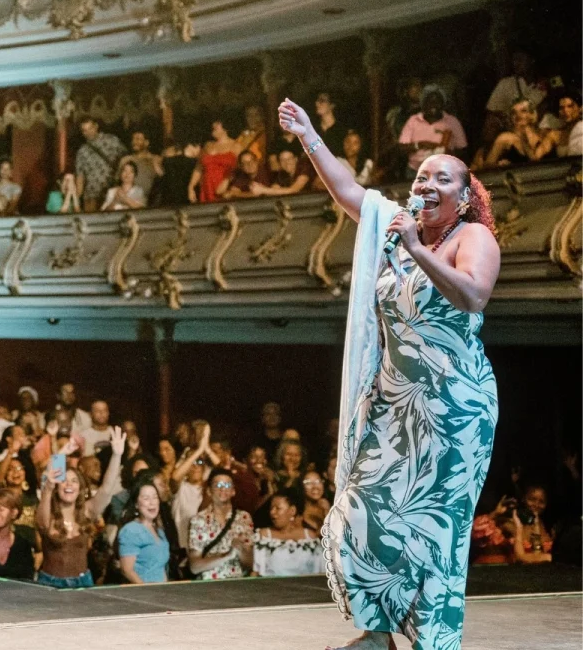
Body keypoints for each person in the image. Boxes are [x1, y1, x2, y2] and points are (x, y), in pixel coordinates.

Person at [278, 97, 500, 650]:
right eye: (423, 174)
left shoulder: (470, 238)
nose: (428, 182)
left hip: (454, 406)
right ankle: (379, 632)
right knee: (362, 513)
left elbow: (471, 294)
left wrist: (416, 250)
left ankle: (430, 641)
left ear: (466, 196)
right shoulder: (394, 229)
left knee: (435, 530)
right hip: (392, 401)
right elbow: (350, 193)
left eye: (443, 177)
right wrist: (309, 134)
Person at [36, 427, 125, 588]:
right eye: (64, 480)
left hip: (82, 582)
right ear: (56, 487)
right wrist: (62, 452)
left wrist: (117, 456)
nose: (69, 484)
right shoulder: (48, 512)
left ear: (81, 489)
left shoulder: (87, 511)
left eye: (74, 481)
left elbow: (106, 489)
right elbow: (48, 482)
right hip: (49, 585)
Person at [187, 467, 254, 580]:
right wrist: (227, 556)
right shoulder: (198, 520)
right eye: (218, 485)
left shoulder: (244, 517)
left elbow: (250, 564)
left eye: (227, 485)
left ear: (233, 491)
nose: (223, 489)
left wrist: (241, 549)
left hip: (238, 584)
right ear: (209, 491)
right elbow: (194, 567)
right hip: (209, 586)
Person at [397, 84, 468, 178]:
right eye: (429, 102)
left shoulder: (452, 121)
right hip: (416, 172)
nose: (433, 105)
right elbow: (402, 148)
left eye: (437, 102)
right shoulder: (413, 120)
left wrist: (450, 153)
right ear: (423, 104)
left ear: (443, 104)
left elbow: (462, 148)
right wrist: (421, 144)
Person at [251, 490, 323, 576]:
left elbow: (320, 570)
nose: (272, 512)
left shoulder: (309, 536)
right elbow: (256, 571)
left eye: (278, 508)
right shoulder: (264, 536)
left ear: (292, 510)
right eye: (271, 508)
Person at [117, 479, 171, 584]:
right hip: (142, 593)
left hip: (161, 592)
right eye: (146, 498)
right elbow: (127, 570)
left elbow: (160, 568)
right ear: (136, 504)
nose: (152, 502)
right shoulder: (131, 530)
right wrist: (145, 591)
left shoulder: (159, 531)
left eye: (155, 497)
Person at [75, 118, 127, 212]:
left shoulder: (111, 140)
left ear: (96, 126)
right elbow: (80, 177)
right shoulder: (82, 151)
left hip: (110, 190)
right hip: (91, 195)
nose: (88, 132)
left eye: (90, 128)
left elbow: (126, 159)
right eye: (84, 130)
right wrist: (77, 199)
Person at [188, 119, 240, 204]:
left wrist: (227, 180)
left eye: (218, 123)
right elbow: (198, 168)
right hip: (207, 187)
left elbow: (239, 169)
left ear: (226, 128)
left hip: (224, 187)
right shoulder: (208, 145)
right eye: (213, 123)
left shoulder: (236, 145)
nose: (214, 125)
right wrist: (191, 187)